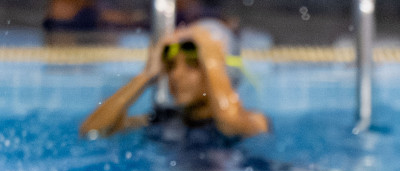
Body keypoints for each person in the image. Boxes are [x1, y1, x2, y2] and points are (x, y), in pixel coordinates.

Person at [79, 24, 268, 140]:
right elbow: (92, 131)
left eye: (193, 64)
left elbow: (230, 122)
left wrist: (211, 60)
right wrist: (145, 76)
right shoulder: (163, 121)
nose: (176, 75)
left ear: (221, 69)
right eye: (170, 65)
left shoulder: (255, 120)